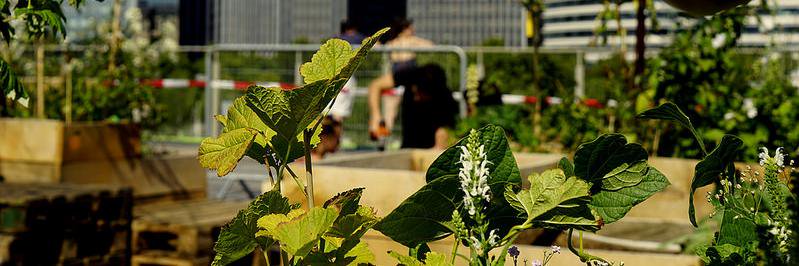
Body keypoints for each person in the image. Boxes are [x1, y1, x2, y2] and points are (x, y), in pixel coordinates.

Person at [368, 18, 434, 145]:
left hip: (408, 78)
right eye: (410, 28)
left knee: (394, 112)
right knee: (389, 113)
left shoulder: (406, 41)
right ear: (405, 29)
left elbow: (430, 46)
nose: (413, 30)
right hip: (398, 78)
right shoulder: (396, 42)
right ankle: (379, 129)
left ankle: (380, 129)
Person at [371, 64, 458, 149]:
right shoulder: (410, 74)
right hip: (407, 147)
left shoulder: (446, 101)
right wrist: (376, 116)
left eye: (421, 95)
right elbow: (376, 86)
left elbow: (444, 137)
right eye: (415, 92)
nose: (416, 98)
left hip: (429, 149)